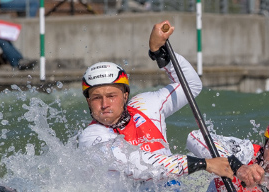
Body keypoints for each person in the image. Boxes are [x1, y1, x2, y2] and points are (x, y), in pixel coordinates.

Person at [77, 20, 233, 183]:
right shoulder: (91, 137)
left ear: (125, 96)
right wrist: (203, 164)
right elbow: (137, 165)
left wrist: (159, 53)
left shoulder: (145, 105)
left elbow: (191, 85)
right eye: (96, 98)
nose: (104, 104)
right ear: (88, 101)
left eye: (111, 96)